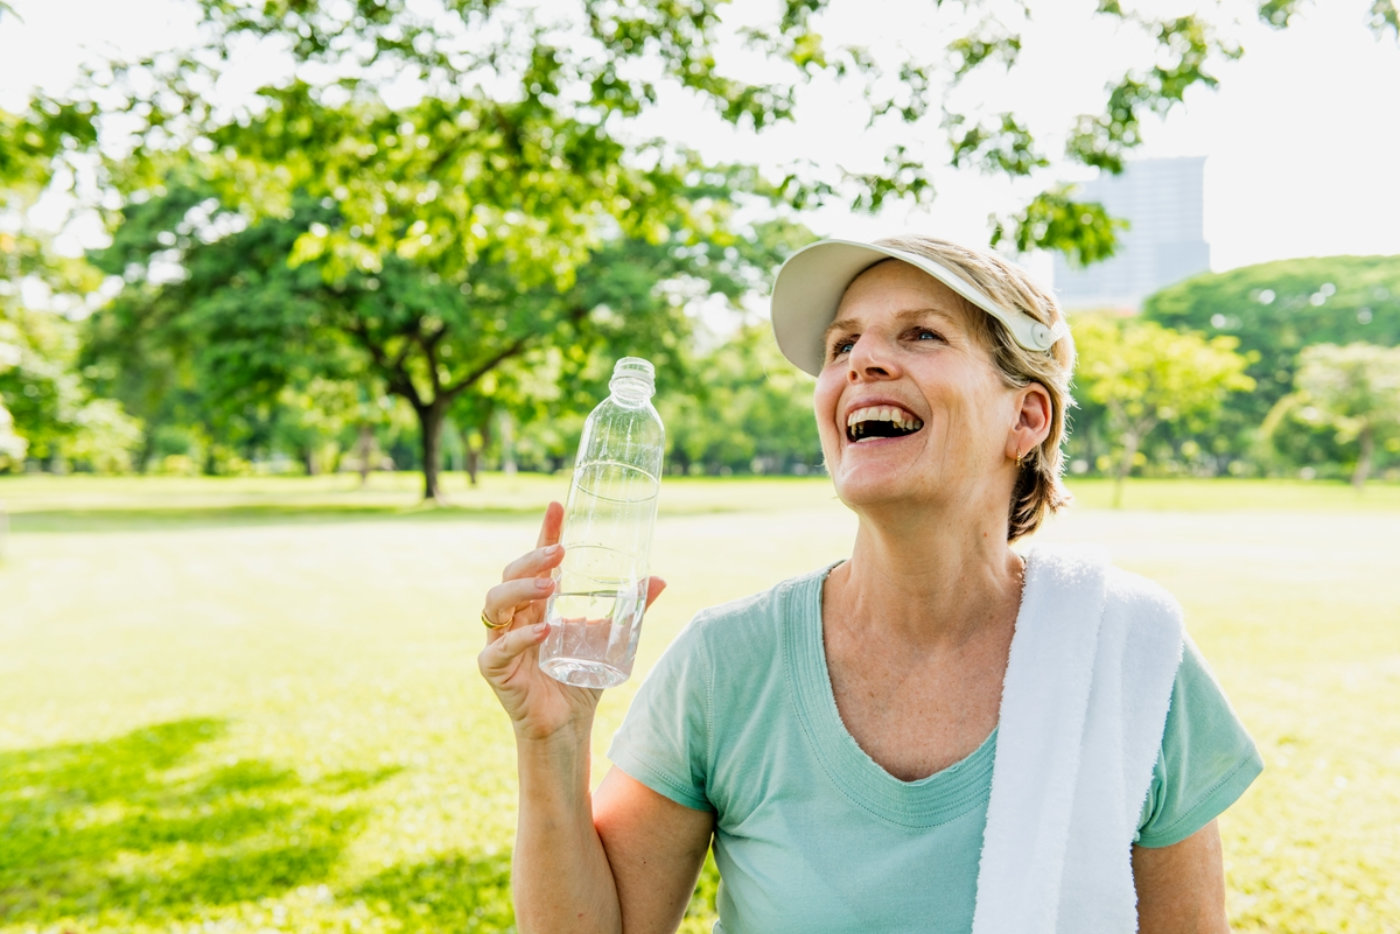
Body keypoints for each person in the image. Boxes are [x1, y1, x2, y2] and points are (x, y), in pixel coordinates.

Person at [478, 234, 1262, 934]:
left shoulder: (1131, 656)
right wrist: (552, 738)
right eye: (841, 345)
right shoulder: (727, 662)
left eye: (920, 334)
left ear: (1027, 418)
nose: (862, 362)